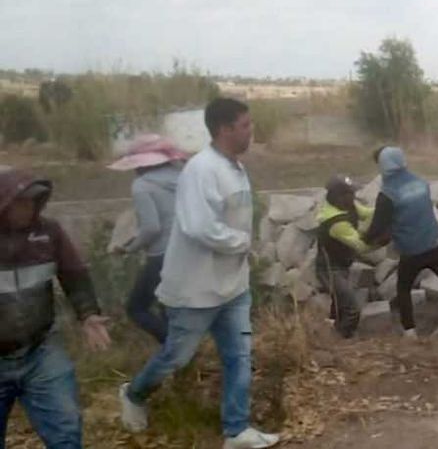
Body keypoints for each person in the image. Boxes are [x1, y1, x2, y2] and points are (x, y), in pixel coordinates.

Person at [119, 98, 280, 449]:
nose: (251, 131)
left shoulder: (235, 167)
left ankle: (236, 431)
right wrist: (242, 243)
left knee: (239, 355)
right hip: (196, 287)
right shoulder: (201, 170)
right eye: (246, 125)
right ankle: (133, 394)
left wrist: (241, 251)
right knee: (177, 355)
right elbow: (198, 226)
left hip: (233, 285)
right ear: (224, 129)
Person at [1, 169, 112, 448]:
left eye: (33, 201)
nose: (28, 208)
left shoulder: (48, 233)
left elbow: (74, 274)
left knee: (66, 431)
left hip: (40, 350)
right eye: (20, 201)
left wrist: (88, 314)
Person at [365, 147, 438, 338]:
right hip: (436, 242)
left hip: (412, 250)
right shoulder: (421, 182)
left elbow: (377, 228)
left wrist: (363, 239)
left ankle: (410, 332)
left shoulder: (388, 194)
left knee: (404, 288)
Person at [108, 135, 188, 344]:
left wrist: (128, 248)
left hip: (162, 255)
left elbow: (151, 228)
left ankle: (176, 347)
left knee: (137, 308)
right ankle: (180, 360)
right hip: (188, 250)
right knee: (167, 306)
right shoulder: (182, 177)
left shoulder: (142, 185)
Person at [315, 174, 375, 338]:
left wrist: (386, 211)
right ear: (338, 196)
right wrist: (384, 239)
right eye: (350, 193)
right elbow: (362, 247)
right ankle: (341, 340)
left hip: (341, 265)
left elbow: (368, 214)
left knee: (340, 305)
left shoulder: (347, 205)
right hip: (329, 269)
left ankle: (330, 333)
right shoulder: (336, 222)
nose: (354, 196)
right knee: (351, 309)